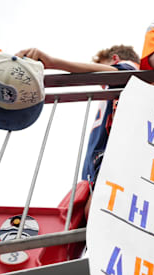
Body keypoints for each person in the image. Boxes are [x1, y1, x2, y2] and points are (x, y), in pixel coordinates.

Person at [15, 45, 140, 220]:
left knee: (98, 215)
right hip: (98, 169)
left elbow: (119, 73)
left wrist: (53, 63)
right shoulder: (114, 91)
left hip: (110, 162)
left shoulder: (128, 68)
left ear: (115, 60)